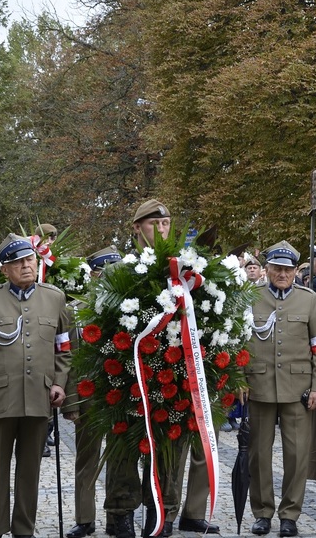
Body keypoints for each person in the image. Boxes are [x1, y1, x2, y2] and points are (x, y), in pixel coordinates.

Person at [106, 199, 219, 537]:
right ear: (137, 228)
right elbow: (106, 327)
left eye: (167, 222)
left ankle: (164, 513)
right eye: (154, 223)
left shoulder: (186, 271)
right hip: (129, 375)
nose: (162, 229)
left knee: (172, 445)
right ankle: (120, 513)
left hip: (175, 374)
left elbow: (205, 322)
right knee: (126, 447)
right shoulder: (119, 270)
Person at [0, 234, 71, 538]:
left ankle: (24, 529)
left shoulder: (55, 297)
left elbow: (64, 348)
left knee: (30, 470)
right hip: (0, 397)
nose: (26, 266)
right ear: (5, 269)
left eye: (30, 260)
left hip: (39, 396)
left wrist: (60, 383)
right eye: (18, 262)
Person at [247, 241, 316, 537]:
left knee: (297, 455)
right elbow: (240, 343)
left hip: (299, 389)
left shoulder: (309, 300)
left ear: (297, 271)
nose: (282, 274)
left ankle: (289, 515)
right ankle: (263, 512)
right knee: (259, 454)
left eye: (288, 269)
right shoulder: (251, 297)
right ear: (267, 269)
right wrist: (241, 380)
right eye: (277, 268)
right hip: (260, 385)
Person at [63, 246, 122, 538]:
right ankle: (85, 518)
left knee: (119, 458)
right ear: (94, 274)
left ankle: (117, 516)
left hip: (122, 395)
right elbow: (69, 358)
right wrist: (71, 401)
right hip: (88, 395)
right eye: (105, 272)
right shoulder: (76, 310)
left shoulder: (128, 307)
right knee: (87, 458)